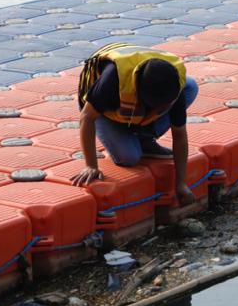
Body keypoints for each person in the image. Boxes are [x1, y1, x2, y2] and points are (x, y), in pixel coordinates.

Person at [70, 42, 197, 206]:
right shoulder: (113, 79)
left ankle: (143, 138)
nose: (160, 112)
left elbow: (179, 135)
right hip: (104, 112)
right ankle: (133, 135)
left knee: (191, 86)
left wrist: (181, 184)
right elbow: (86, 117)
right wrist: (91, 165)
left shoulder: (173, 88)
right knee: (129, 157)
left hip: (135, 109)